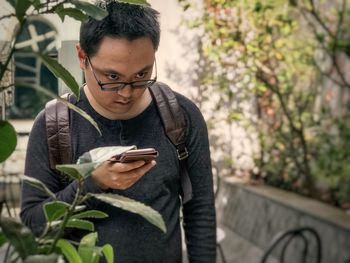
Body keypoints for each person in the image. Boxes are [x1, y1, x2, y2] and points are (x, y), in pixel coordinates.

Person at [20, 1, 216, 262]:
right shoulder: (54, 125)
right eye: (112, 77)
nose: (127, 92)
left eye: (142, 74)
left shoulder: (180, 115)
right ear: (82, 58)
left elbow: (200, 211)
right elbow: (33, 223)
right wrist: (93, 184)